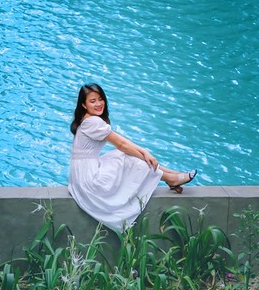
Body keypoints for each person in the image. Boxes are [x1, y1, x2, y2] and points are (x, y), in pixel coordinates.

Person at [67, 83, 197, 233]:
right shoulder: (93, 122)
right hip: (89, 180)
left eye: (100, 99)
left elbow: (123, 142)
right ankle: (171, 178)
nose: (98, 104)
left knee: (124, 155)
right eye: (92, 101)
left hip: (82, 174)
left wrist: (144, 151)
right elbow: (122, 144)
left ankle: (171, 175)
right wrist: (145, 152)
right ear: (83, 104)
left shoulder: (87, 119)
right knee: (130, 159)